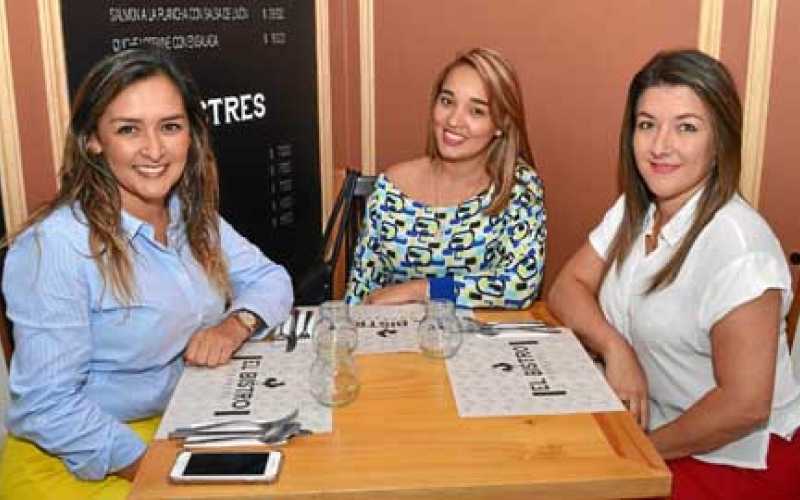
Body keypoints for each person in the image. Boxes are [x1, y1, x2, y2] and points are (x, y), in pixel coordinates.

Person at [0, 47, 293, 499]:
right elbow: (46, 406)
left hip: (172, 424)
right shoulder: (53, 247)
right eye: (128, 130)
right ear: (93, 139)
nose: (154, 150)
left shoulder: (191, 216)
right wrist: (156, 468)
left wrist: (236, 324)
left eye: (170, 127)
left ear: (190, 135)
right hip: (80, 459)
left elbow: (273, 279)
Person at [548, 49, 800, 499]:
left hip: (736, 458)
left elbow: (745, 405)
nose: (660, 145)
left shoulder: (739, 246)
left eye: (686, 126)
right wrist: (615, 348)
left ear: (719, 139)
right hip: (658, 431)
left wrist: (640, 453)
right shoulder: (636, 207)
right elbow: (567, 287)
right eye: (647, 124)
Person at [345, 47, 546, 309]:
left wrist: (423, 289)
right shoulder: (391, 188)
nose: (453, 120)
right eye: (447, 101)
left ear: (501, 124)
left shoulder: (519, 188)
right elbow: (360, 294)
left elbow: (520, 286)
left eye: (476, 111)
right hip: (398, 341)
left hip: (483, 343)